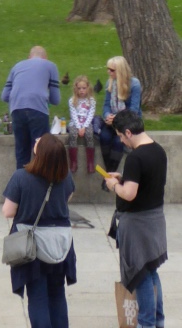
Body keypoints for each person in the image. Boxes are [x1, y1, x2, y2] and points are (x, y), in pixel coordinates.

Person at [2, 134, 76, 328]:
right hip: (60, 244)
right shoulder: (66, 177)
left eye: (38, 142)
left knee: (37, 297)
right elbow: (68, 196)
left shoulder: (21, 177)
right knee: (57, 294)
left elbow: (8, 211)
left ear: (40, 153)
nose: (35, 141)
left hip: (32, 246)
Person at [104, 110, 167, 328]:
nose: (121, 140)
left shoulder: (135, 157)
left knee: (139, 275)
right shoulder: (158, 151)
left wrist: (114, 185)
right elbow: (147, 183)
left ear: (129, 132)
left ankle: (147, 323)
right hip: (155, 221)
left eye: (121, 135)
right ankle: (158, 321)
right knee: (151, 271)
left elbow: (129, 194)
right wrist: (125, 178)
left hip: (137, 224)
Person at [1, 46, 61, 169]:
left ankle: (21, 184)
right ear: (45, 57)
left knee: (21, 152)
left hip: (17, 110)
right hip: (38, 111)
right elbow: (56, 100)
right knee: (41, 151)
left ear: (29, 57)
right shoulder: (50, 66)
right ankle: (40, 185)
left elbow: (4, 96)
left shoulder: (17, 66)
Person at [100, 56, 142, 173]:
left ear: (120, 71)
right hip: (113, 121)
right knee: (104, 137)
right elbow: (106, 104)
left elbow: (134, 110)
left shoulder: (134, 84)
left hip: (128, 121)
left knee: (119, 142)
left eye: (112, 70)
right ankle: (110, 172)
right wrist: (107, 115)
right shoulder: (110, 82)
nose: (109, 72)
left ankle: (109, 173)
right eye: (108, 69)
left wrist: (117, 119)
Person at [66, 75, 96, 173]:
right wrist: (79, 127)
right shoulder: (72, 100)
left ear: (88, 88)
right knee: (73, 135)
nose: (81, 91)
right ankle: (73, 162)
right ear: (76, 89)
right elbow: (73, 114)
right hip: (75, 122)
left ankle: (90, 162)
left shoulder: (91, 100)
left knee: (90, 135)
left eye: (84, 88)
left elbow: (91, 114)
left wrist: (84, 127)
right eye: (79, 88)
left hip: (86, 123)